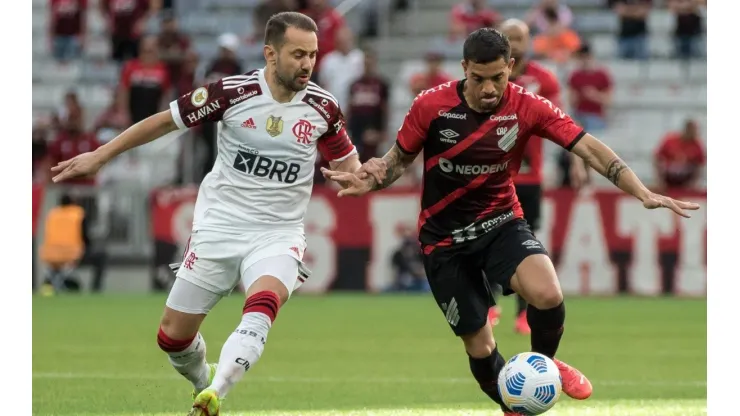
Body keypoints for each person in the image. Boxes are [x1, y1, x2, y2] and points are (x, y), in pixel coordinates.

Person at [321, 28, 699, 415]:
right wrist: (370, 177)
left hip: (500, 220)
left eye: (498, 78)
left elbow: (587, 146)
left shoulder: (527, 105)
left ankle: (543, 367)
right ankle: (513, 404)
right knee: (480, 347)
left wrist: (641, 191)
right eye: (479, 78)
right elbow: (395, 162)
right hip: (443, 241)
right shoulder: (430, 106)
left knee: (548, 293)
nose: (489, 88)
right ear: (464, 68)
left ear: (511, 68)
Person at [50, 12, 365, 416]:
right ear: (270, 54)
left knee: (263, 304)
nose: (307, 64)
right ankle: (204, 381)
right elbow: (166, 121)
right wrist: (100, 155)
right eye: (297, 54)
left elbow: (350, 167)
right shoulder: (232, 93)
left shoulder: (323, 107)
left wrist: (362, 179)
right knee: (172, 338)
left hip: (278, 232)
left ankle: (215, 393)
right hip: (219, 227)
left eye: (313, 55)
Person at [487, 19, 587, 335]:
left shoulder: (543, 79)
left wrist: (575, 160)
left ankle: (522, 313)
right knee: (483, 239)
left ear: (529, 42)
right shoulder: (486, 79)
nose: (514, 44)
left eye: (520, 38)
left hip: (529, 177)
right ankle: (489, 304)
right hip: (488, 173)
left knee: (525, 245)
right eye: (509, 38)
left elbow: (562, 125)